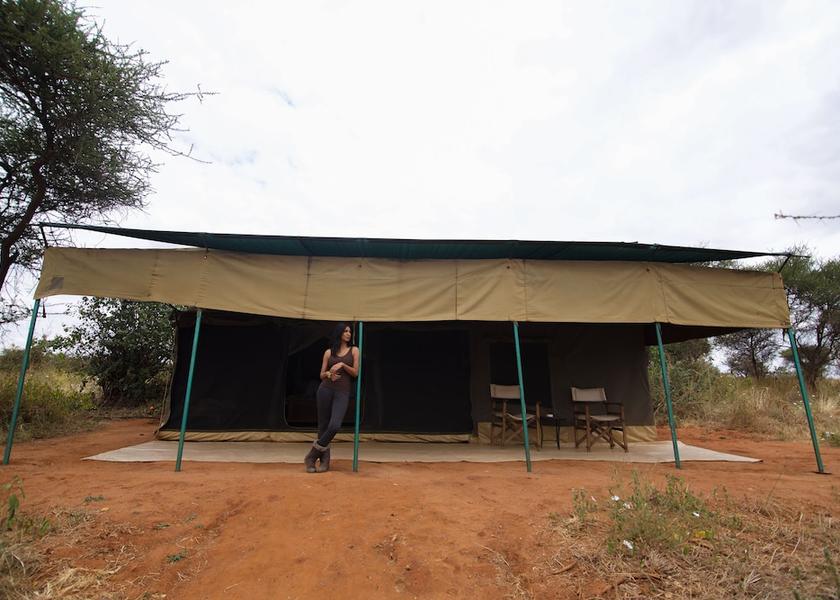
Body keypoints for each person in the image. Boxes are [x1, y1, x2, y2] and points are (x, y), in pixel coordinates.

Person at [304, 323, 359, 473]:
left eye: (350, 331)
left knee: (334, 425)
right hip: (325, 390)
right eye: (345, 331)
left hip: (342, 392)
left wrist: (342, 364)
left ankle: (312, 455)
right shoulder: (329, 352)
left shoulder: (354, 350)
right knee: (323, 426)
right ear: (339, 333)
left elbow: (355, 372)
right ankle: (324, 460)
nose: (348, 334)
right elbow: (321, 375)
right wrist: (329, 374)